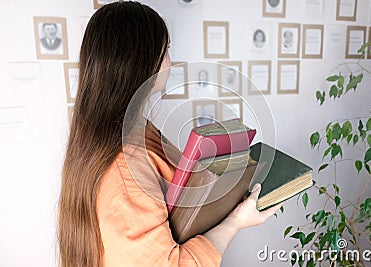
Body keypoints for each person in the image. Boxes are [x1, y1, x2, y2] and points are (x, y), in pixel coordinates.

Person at [58, 2, 282, 267]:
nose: (170, 61)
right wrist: (236, 222)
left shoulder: (131, 132)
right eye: (165, 50)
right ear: (141, 61)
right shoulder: (123, 169)